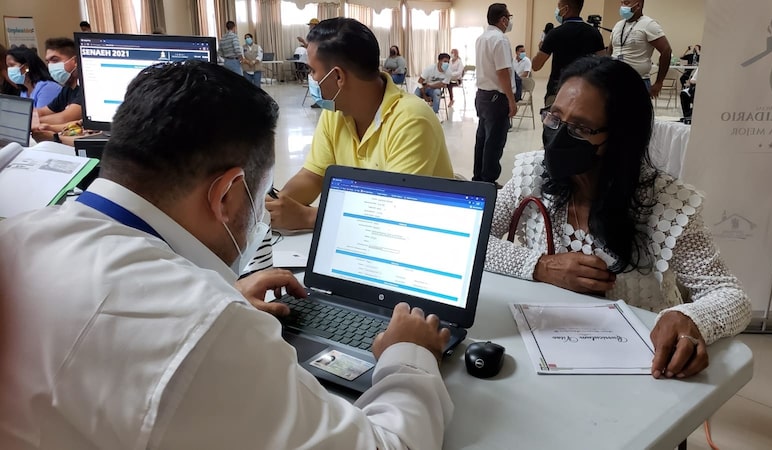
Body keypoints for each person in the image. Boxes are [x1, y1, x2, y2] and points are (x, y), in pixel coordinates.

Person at [0, 60, 454, 449]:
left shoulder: (18, 236)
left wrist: (224, 291)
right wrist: (409, 355)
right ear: (227, 194)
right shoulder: (204, 326)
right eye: (259, 196)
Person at [486, 56, 751, 380]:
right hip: (541, 354)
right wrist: (540, 266)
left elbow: (729, 294)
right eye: (554, 117)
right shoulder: (532, 176)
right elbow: (474, 241)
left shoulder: (667, 205)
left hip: (637, 368)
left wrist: (692, 318)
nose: (557, 137)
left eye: (581, 128)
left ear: (621, 137)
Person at [265, 18, 453, 231]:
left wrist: (308, 217)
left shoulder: (412, 120)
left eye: (312, 71)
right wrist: (275, 206)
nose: (311, 78)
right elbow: (313, 176)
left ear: (337, 76)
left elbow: (392, 213)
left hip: (417, 240)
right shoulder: (336, 112)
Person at [531, 0, 605, 110]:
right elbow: (602, 62)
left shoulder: (555, 33)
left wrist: (542, 48)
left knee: (554, 125)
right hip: (585, 90)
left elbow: (536, 66)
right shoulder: (594, 33)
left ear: (565, 9)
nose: (557, 11)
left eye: (558, 7)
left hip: (558, 90)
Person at [473, 3, 517, 188]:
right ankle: (488, 181)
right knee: (495, 141)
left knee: (482, 138)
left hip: (482, 96)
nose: (509, 21)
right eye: (509, 17)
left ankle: (478, 178)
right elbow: (502, 73)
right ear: (503, 19)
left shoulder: (482, 38)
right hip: (497, 98)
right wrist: (511, 100)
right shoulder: (500, 40)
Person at [610, 0, 673, 98]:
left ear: (638, 5)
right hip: (615, 81)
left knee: (636, 113)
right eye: (621, 3)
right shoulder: (618, 25)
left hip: (638, 82)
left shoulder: (649, 24)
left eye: (626, 3)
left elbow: (666, 51)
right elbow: (611, 50)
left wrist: (659, 82)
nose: (622, 6)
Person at [35, 38, 83, 128]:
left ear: (75, 61)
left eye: (55, 60)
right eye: (48, 62)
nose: (51, 66)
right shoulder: (68, 88)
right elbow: (44, 111)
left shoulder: (85, 87)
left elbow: (65, 118)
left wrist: (31, 121)